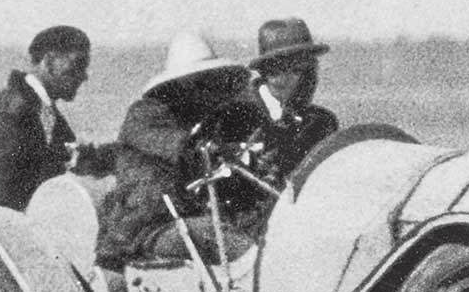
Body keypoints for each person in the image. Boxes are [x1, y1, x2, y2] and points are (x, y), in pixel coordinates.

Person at [95, 32, 257, 274]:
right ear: (180, 84)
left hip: (180, 222)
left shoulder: (201, 120)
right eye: (200, 82)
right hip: (143, 231)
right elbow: (183, 150)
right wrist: (221, 150)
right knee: (219, 238)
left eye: (211, 80)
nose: (208, 89)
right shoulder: (145, 115)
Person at [0, 25, 116, 210]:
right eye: (78, 65)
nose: (84, 77)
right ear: (49, 62)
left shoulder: (42, 112)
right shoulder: (9, 112)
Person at [246, 17, 340, 181]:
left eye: (310, 70)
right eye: (298, 70)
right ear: (270, 73)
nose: (310, 80)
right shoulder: (241, 117)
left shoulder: (323, 123)